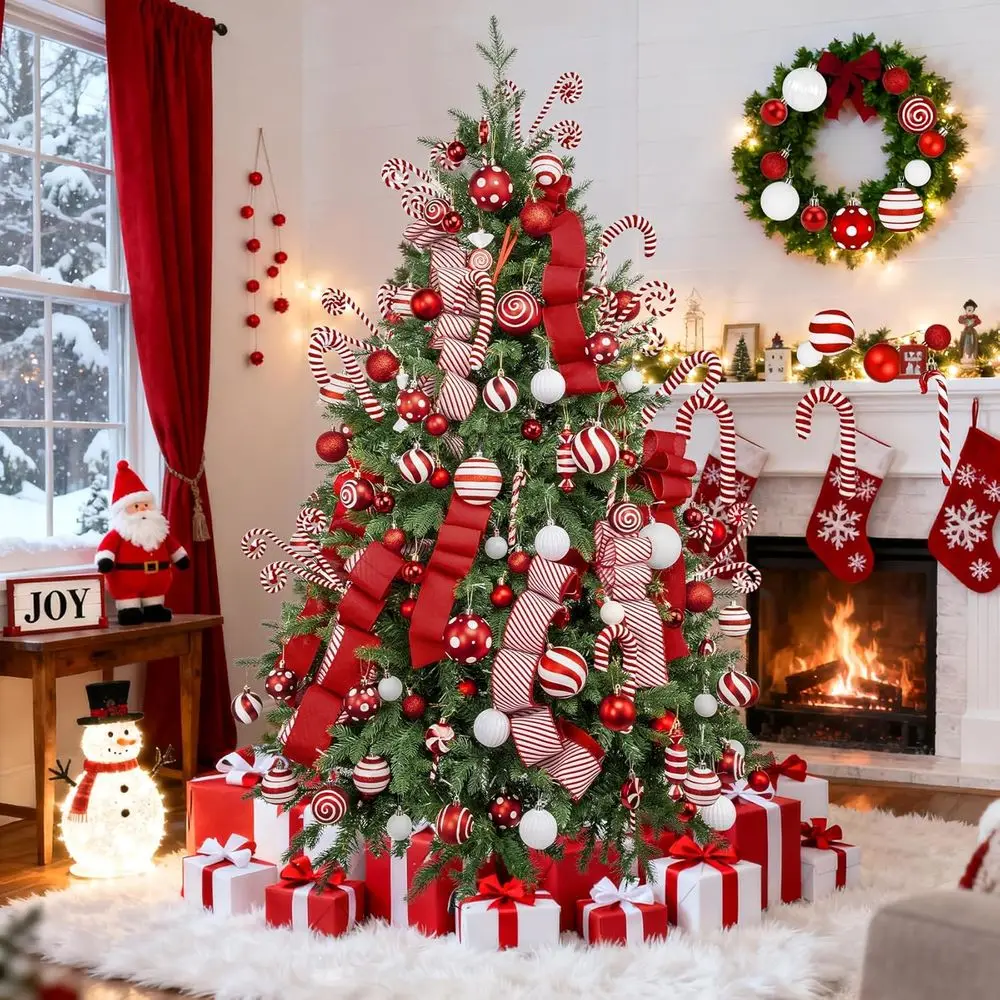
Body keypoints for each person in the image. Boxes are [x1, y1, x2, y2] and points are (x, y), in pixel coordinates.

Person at [95, 461, 190, 624]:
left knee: (155, 601)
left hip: (157, 583)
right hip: (126, 584)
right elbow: (106, 549)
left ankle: (154, 608)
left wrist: (181, 558)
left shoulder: (160, 531)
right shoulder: (119, 533)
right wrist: (105, 561)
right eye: (136, 506)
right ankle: (128, 609)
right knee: (129, 606)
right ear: (122, 511)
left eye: (146, 505)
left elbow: (173, 546)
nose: (142, 510)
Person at [958, 299, 981, 369]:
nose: (969, 310)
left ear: (973, 310)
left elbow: (978, 321)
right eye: (968, 308)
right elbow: (960, 320)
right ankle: (964, 356)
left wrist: (973, 321)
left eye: (971, 309)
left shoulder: (975, 317)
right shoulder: (963, 317)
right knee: (964, 344)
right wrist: (965, 321)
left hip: (972, 333)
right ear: (965, 310)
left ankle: (972, 356)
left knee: (973, 343)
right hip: (966, 333)